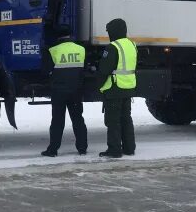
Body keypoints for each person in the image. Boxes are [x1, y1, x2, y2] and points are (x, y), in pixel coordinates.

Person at [41, 25, 88, 157]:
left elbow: (46, 70)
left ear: (58, 36)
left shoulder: (53, 50)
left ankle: (53, 149)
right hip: (76, 90)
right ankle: (82, 148)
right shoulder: (81, 49)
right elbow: (83, 70)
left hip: (59, 91)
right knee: (78, 119)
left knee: (57, 121)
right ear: (69, 35)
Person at [96, 18, 137, 158]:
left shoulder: (113, 47)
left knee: (113, 121)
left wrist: (98, 85)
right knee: (126, 118)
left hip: (115, 88)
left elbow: (104, 69)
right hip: (128, 86)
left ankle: (114, 150)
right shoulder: (132, 44)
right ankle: (129, 148)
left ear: (113, 31)